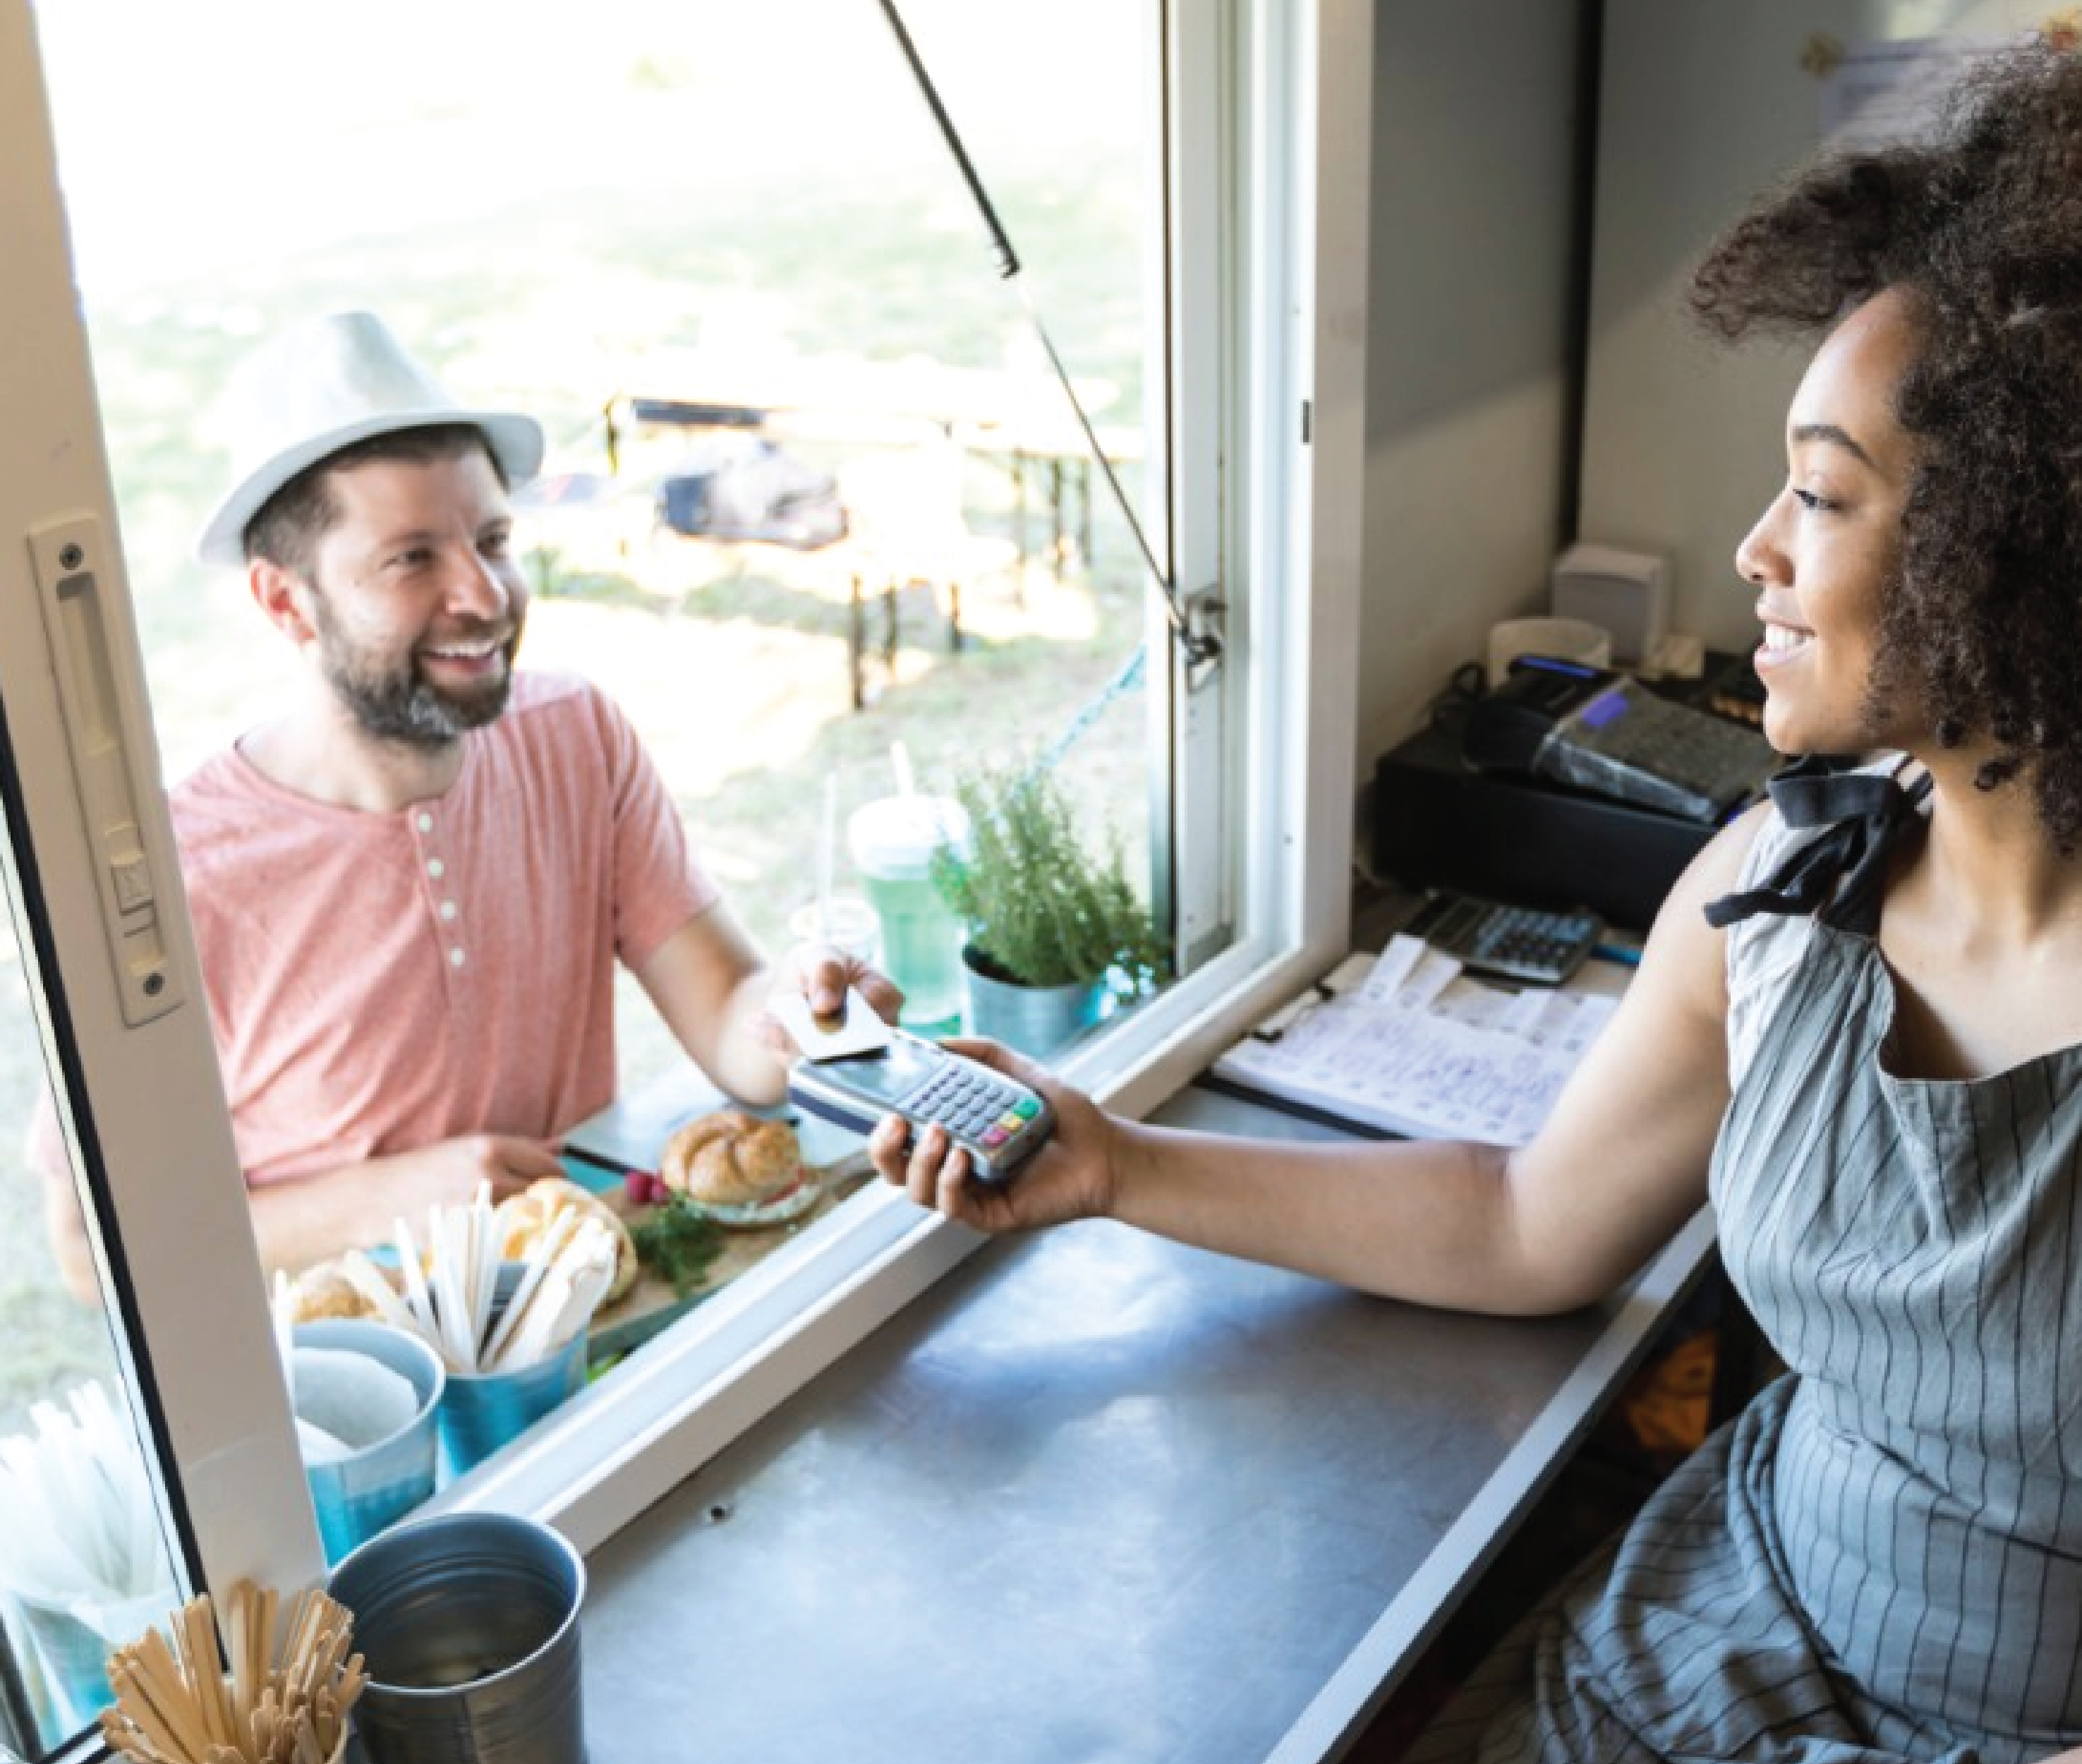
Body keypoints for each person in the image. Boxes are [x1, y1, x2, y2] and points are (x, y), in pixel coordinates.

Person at [873, 42, 2082, 1764]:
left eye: (1817, 495)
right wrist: (1116, 1166)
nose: (1752, 547)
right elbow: (1525, 1222)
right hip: (1710, 1641)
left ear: (2018, 556)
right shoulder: (1774, 884)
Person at [39, 310, 893, 1285]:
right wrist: (390, 1201)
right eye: (411, 559)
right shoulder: (173, 878)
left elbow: (733, 1026)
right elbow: (86, 1251)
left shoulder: (575, 735)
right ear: (284, 603)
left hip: (588, 1313)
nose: (484, 596)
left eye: (491, 538)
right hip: (366, 1387)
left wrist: (802, 1011)